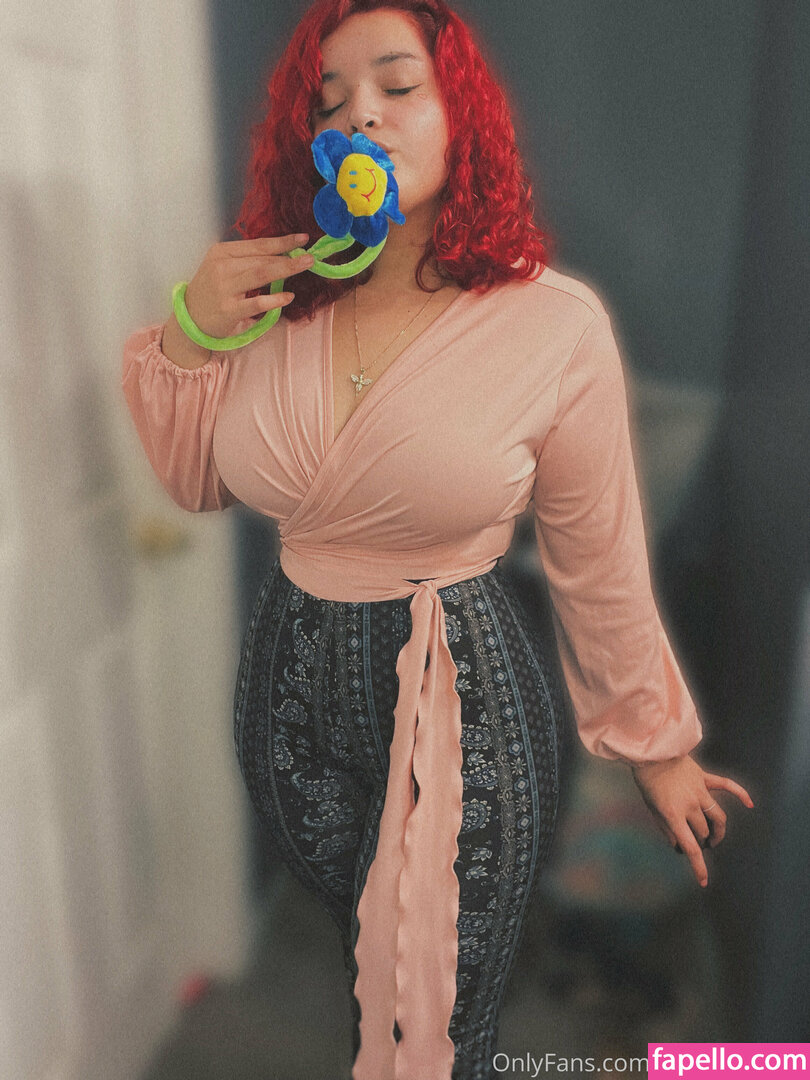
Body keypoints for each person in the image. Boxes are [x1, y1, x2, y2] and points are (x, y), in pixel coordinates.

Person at [121, 1, 755, 1077]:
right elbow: (194, 479)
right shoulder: (276, 306)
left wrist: (654, 741)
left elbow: (596, 553)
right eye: (329, 101)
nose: (360, 115)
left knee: (444, 1013)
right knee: (372, 972)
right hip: (289, 703)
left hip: (457, 694)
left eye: (397, 85)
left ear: (461, 112)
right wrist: (192, 328)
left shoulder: (550, 325)